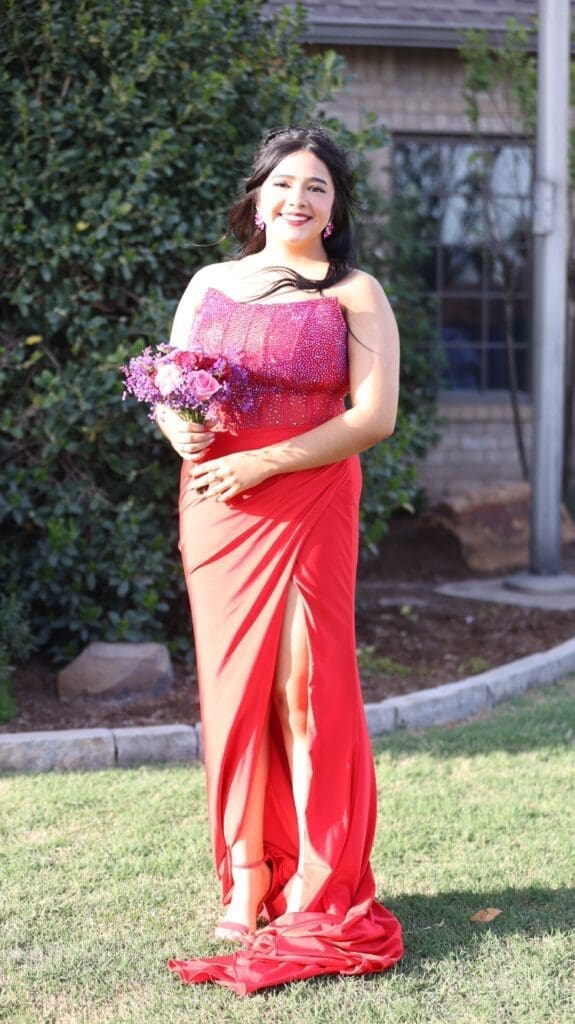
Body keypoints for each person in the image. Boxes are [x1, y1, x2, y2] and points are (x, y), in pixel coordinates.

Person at [159, 124, 403, 996]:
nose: (297, 198)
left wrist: (263, 462)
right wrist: (178, 427)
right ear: (257, 198)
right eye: (283, 184)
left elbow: (372, 418)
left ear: (333, 212)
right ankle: (246, 876)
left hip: (307, 498)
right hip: (217, 504)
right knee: (233, 690)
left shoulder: (354, 293)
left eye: (316, 188)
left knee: (304, 687)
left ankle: (316, 879)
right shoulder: (208, 284)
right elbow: (171, 387)